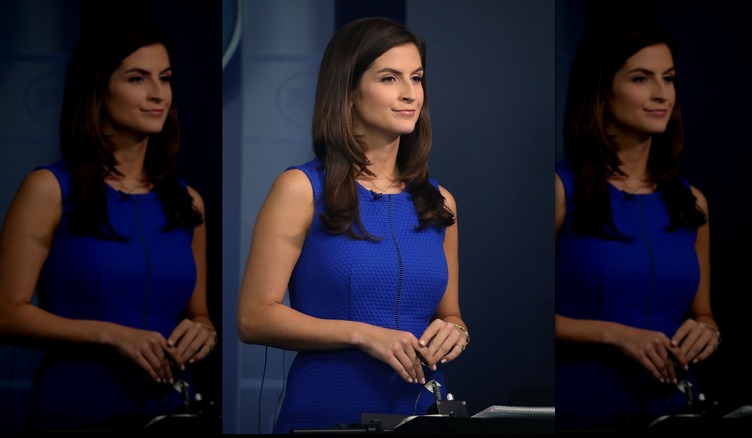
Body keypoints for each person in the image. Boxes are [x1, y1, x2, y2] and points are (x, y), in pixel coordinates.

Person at [237, 17, 468, 433]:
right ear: (348, 91)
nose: (409, 93)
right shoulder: (301, 188)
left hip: (423, 415)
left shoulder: (439, 201)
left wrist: (457, 332)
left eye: (416, 78)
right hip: (328, 414)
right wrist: (364, 334)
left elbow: (450, 314)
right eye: (389, 78)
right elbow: (254, 317)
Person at [0, 26, 217, 432]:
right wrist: (114, 335)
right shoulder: (48, 189)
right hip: (76, 411)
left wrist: (205, 331)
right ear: (97, 91)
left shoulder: (188, 201)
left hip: (172, 411)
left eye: (165, 78)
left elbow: (199, 312)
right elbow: (6, 314)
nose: (159, 94)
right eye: (138, 78)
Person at [554, 26, 720, 430]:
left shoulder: (691, 202)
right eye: (641, 78)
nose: (662, 93)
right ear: (602, 91)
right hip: (584, 409)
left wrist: (707, 332)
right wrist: (615, 335)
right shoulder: (560, 190)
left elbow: (703, 315)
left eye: (668, 78)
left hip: (674, 407)